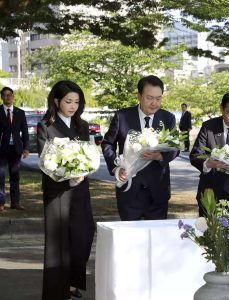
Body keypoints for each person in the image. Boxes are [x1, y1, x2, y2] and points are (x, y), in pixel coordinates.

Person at [37, 80, 94, 300]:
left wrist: (84, 171)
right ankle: (56, 291)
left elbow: (89, 155)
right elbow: (45, 160)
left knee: (83, 235)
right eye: (68, 101)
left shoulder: (83, 126)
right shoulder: (45, 126)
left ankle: (73, 281)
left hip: (80, 188)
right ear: (56, 101)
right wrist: (65, 176)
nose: (73, 106)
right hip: (56, 190)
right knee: (58, 241)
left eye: (77, 102)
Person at [102, 75, 179, 221]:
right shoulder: (122, 116)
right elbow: (107, 144)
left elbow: (175, 147)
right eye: (149, 98)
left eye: (158, 98)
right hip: (129, 189)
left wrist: (161, 156)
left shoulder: (168, 118)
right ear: (139, 95)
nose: (154, 103)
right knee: (131, 239)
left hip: (158, 191)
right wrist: (116, 168)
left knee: (156, 239)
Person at [0, 87, 29, 212]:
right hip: (1, 149)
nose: (8, 97)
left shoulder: (20, 112)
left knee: (15, 176)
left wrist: (26, 148)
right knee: (0, 176)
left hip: (16, 149)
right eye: (6, 95)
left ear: (13, 96)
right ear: (2, 97)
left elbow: (25, 132)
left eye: (10, 95)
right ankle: (1, 202)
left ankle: (15, 202)